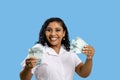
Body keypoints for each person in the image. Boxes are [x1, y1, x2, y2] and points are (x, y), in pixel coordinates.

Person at [19, 17, 95, 80]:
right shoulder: (38, 49)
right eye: (49, 30)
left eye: (57, 30)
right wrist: (27, 68)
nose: (53, 34)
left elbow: (83, 73)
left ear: (64, 33)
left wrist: (89, 58)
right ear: (44, 32)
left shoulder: (69, 51)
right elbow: (23, 78)